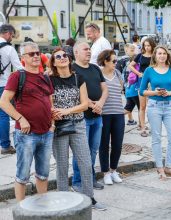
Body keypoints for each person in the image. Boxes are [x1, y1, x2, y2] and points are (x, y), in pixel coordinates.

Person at [49, 48, 106, 211]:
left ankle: (89, 199)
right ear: (53, 62)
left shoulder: (77, 78)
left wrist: (66, 111)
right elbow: (50, 103)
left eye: (64, 55)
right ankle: (63, 199)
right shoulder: (50, 80)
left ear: (69, 58)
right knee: (62, 165)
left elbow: (84, 104)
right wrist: (53, 116)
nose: (62, 58)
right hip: (59, 127)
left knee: (86, 163)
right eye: (57, 57)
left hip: (78, 125)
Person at [0, 41, 54, 201]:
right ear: (23, 58)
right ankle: (21, 210)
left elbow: (50, 102)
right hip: (26, 134)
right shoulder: (17, 76)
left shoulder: (44, 77)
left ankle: (42, 207)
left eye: (38, 53)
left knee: (43, 174)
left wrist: (52, 124)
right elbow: (3, 101)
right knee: (23, 174)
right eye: (31, 54)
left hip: (46, 133)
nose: (36, 56)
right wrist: (20, 118)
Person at [140, 45, 171, 180]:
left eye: (164, 53)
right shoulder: (149, 71)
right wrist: (155, 92)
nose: (162, 56)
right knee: (156, 138)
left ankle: (169, 166)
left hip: (169, 106)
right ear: (155, 56)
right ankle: (160, 167)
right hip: (154, 106)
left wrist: (170, 93)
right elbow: (142, 91)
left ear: (167, 55)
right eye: (159, 53)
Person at [72, 41, 108, 190]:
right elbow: (74, 93)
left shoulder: (95, 68)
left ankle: (90, 178)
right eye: (85, 49)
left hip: (97, 116)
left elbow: (105, 89)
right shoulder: (72, 69)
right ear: (76, 53)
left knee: (93, 149)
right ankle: (78, 181)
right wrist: (92, 105)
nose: (88, 51)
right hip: (82, 117)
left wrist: (100, 104)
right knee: (81, 151)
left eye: (89, 49)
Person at [97, 49, 125, 185]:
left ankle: (114, 170)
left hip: (118, 113)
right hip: (104, 114)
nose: (116, 63)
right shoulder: (99, 75)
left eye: (116, 60)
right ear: (105, 61)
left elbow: (121, 89)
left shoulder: (118, 74)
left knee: (117, 144)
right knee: (103, 145)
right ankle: (105, 172)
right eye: (113, 61)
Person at [0, 24, 23, 155]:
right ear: (8, 33)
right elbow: (19, 68)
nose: (12, 38)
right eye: (12, 35)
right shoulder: (9, 49)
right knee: (3, 115)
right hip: (4, 85)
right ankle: (5, 146)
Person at [129, 37, 156, 137]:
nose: (147, 47)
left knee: (152, 106)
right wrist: (139, 73)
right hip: (142, 81)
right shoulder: (140, 55)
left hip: (153, 82)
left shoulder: (155, 55)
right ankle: (143, 128)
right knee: (142, 106)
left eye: (149, 45)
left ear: (152, 45)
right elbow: (130, 65)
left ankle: (153, 127)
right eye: (145, 45)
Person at [116, 43, 139, 125]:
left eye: (134, 50)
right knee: (138, 106)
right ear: (126, 50)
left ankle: (130, 119)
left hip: (126, 86)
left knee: (129, 104)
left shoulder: (120, 60)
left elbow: (118, 73)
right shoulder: (129, 60)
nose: (133, 52)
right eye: (132, 50)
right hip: (133, 86)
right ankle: (133, 121)